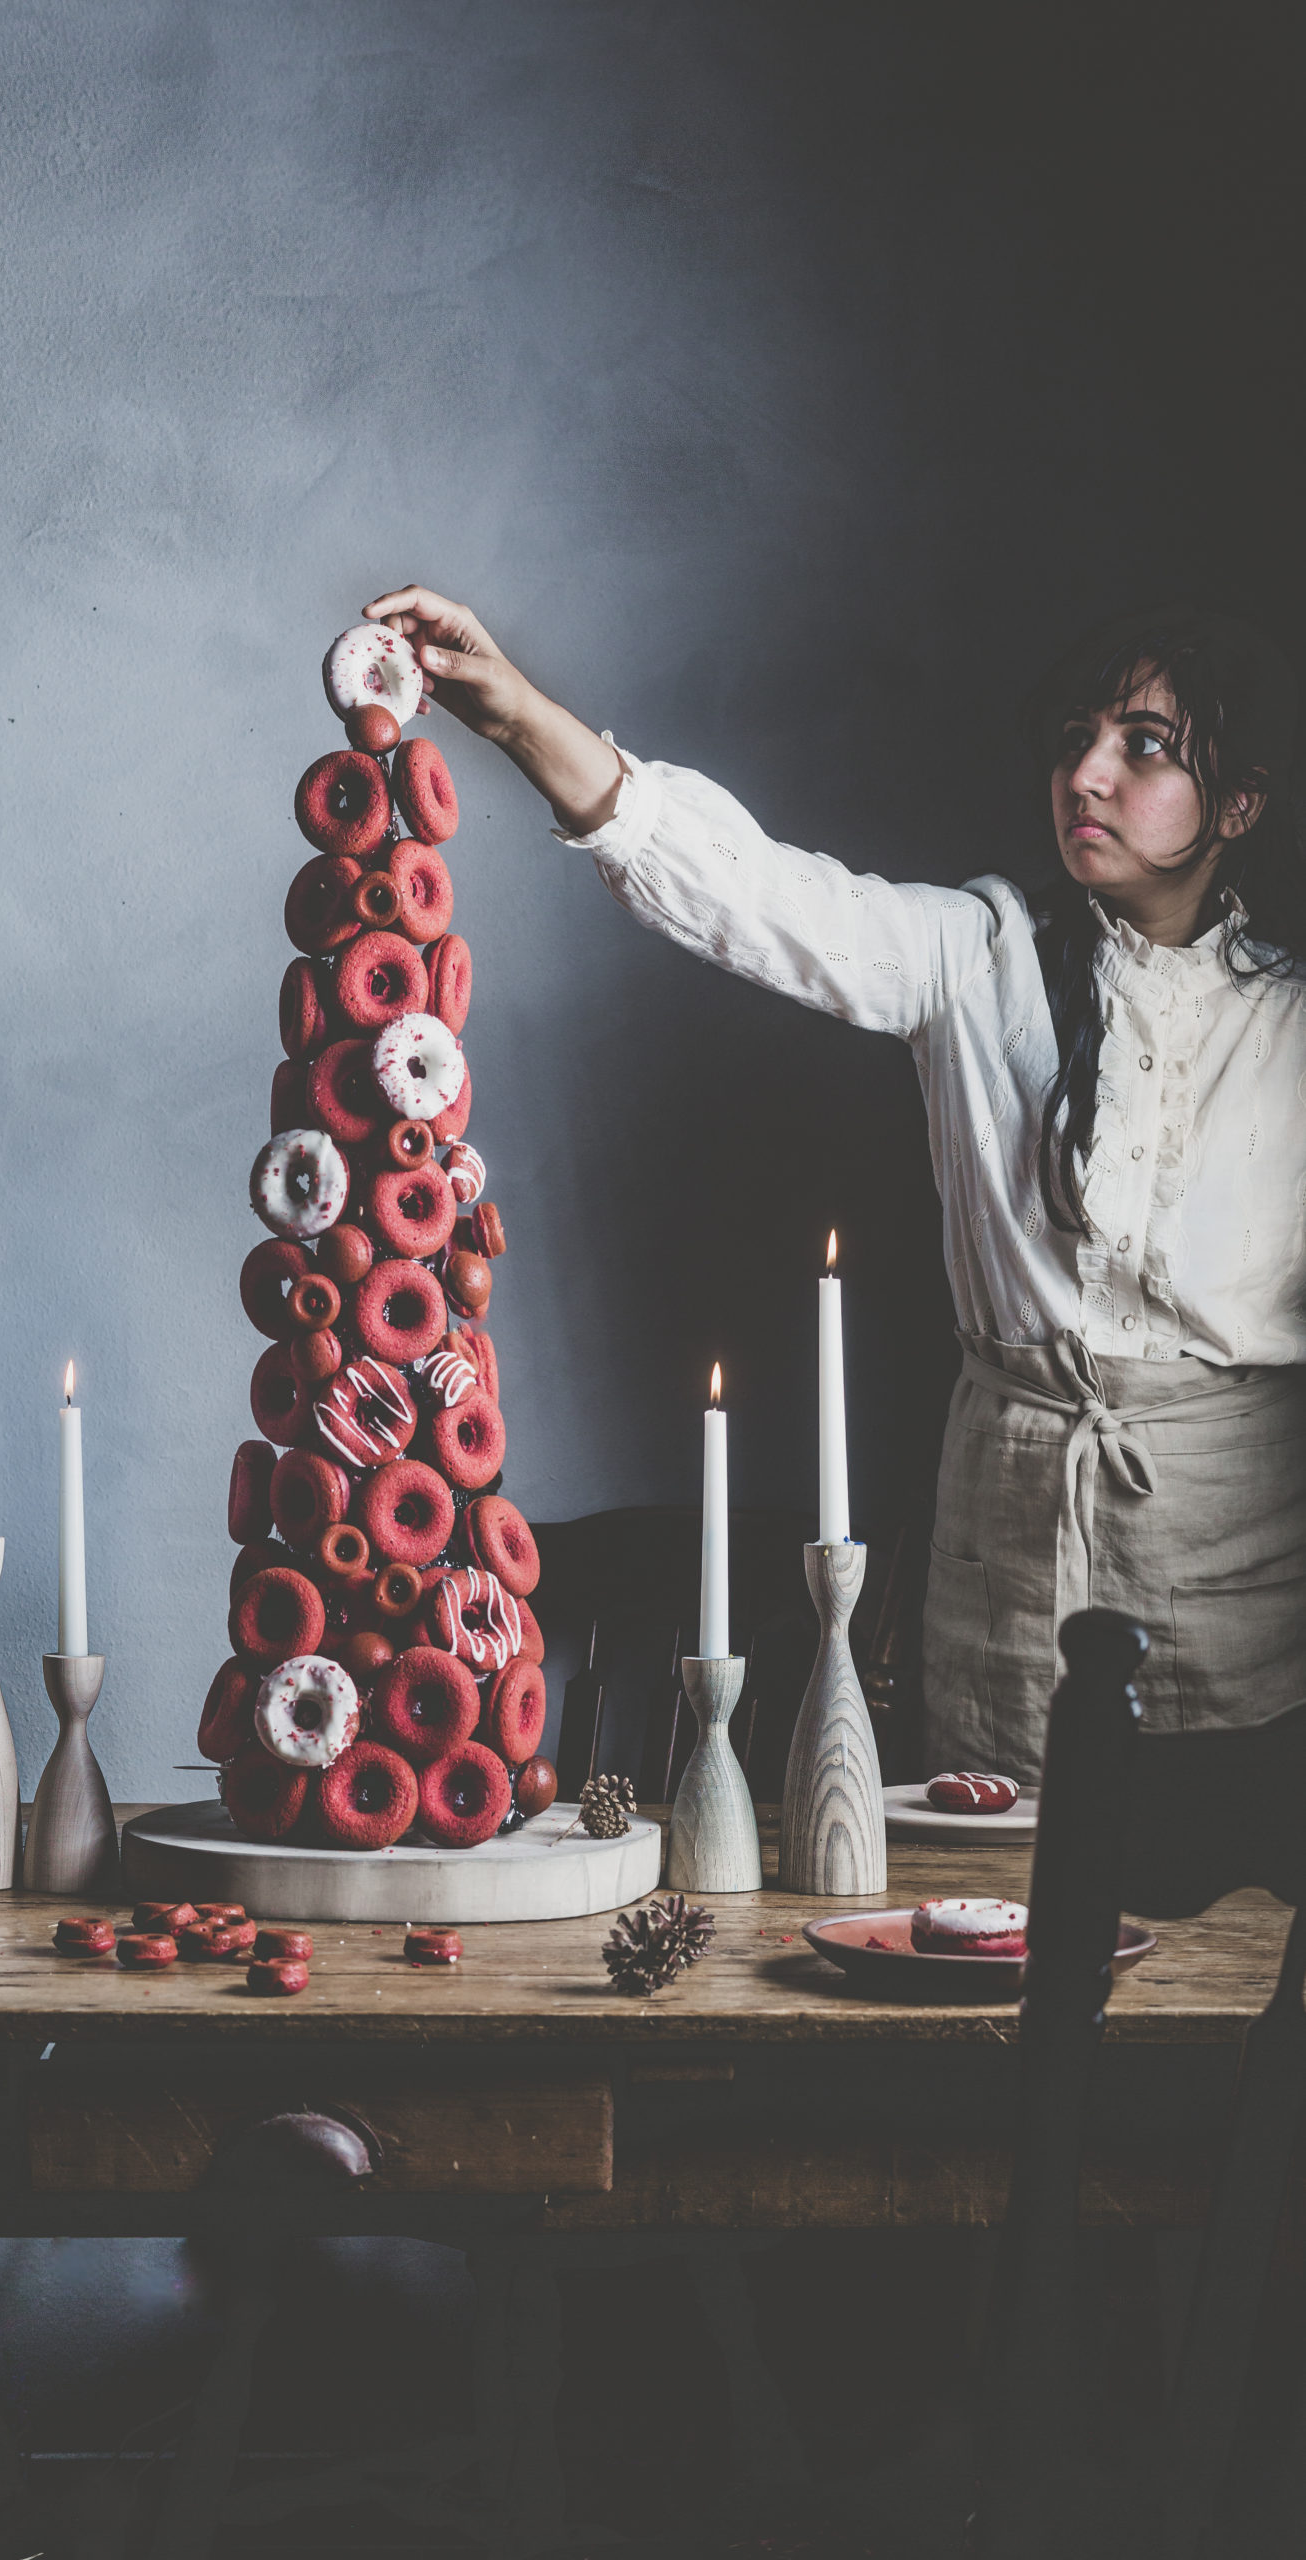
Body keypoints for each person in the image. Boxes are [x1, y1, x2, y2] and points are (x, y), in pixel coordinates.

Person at [362, 585, 1306, 1779]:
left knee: (1218, 1929)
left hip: (1240, 1579)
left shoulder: (1287, 1025)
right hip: (1004, 1553)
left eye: (1145, 747)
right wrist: (516, 720)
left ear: (1242, 802)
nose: (1087, 775)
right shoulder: (979, 956)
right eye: (1076, 738)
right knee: (997, 1913)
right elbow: (759, 898)